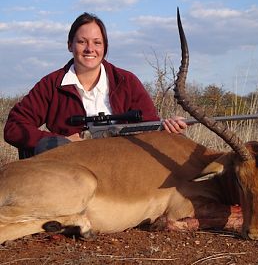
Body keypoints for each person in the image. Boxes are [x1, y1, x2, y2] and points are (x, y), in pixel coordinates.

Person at [4, 12, 187, 159]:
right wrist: (60, 142)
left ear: (105, 47)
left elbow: (149, 126)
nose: (90, 49)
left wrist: (168, 128)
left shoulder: (127, 81)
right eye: (82, 42)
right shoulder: (51, 84)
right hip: (71, 167)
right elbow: (14, 127)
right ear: (70, 45)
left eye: (97, 42)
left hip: (123, 167)